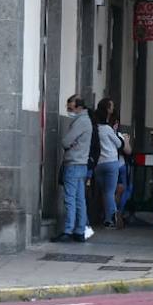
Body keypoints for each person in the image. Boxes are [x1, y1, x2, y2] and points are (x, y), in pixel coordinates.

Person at [54, 95, 92, 243]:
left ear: (79, 107)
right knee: (80, 199)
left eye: (71, 108)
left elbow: (66, 141)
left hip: (73, 163)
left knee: (70, 199)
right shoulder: (86, 120)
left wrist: (69, 144)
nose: (69, 111)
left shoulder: (80, 121)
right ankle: (80, 231)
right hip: (81, 164)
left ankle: (68, 230)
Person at [92, 106, 124, 228]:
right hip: (111, 162)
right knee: (110, 192)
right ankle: (114, 215)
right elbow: (119, 144)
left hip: (98, 164)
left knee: (104, 192)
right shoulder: (107, 129)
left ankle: (108, 219)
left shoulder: (94, 129)